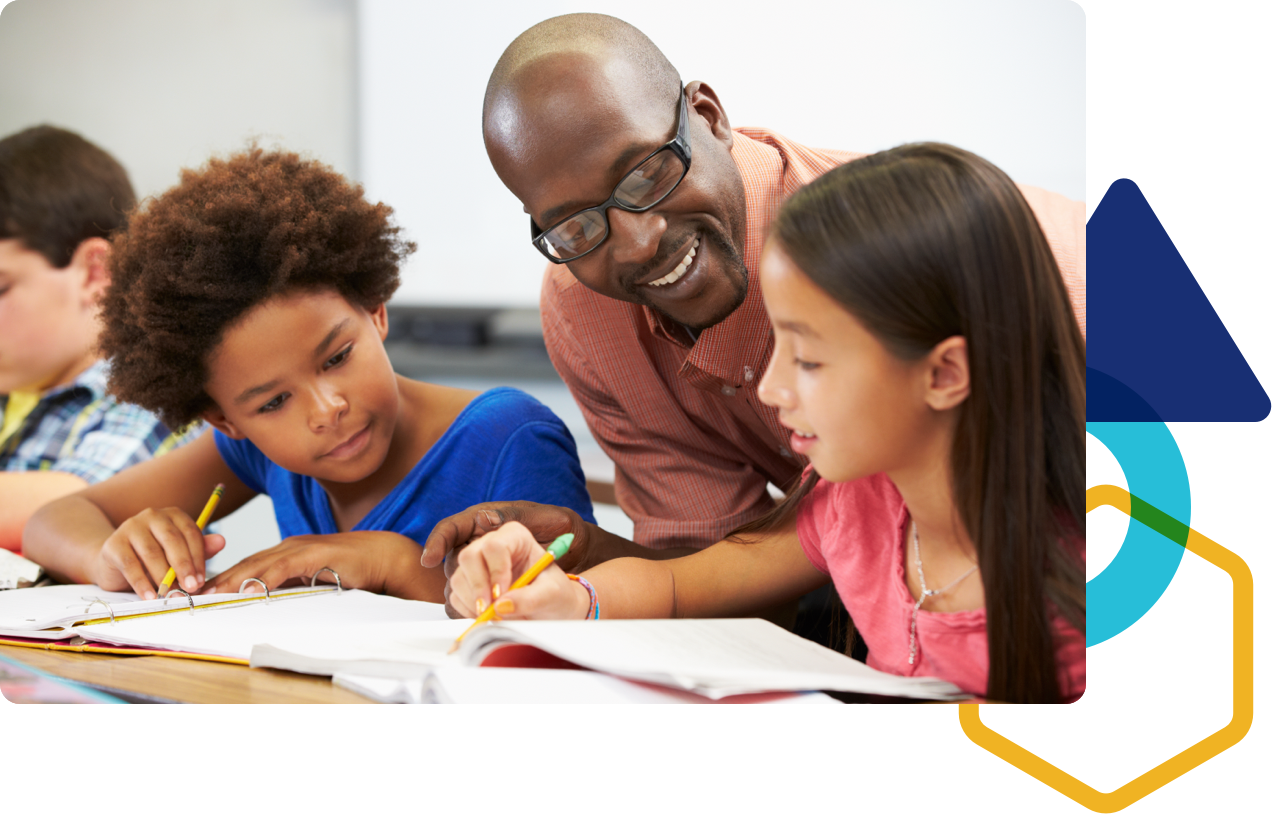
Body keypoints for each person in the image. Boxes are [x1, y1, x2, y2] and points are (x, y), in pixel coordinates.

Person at [423, 14, 1087, 587]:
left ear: (710, 119)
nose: (637, 241)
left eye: (648, 173)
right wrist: (584, 552)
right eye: (575, 225)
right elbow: (720, 571)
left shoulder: (967, 263)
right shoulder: (586, 312)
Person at [445, 143, 1087, 703]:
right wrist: (573, 601)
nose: (773, 389)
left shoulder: (1131, 569)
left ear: (945, 373)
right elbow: (678, 584)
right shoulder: (859, 507)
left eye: (808, 358)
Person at [22, 147, 593, 602]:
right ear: (225, 419)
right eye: (272, 403)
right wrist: (111, 554)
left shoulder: (508, 438)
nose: (326, 410)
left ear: (375, 310)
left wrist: (389, 563)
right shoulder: (254, 451)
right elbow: (55, 519)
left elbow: (566, 612)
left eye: (337, 357)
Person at [0, 125, 198, 552]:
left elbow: (80, 505)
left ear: (94, 272)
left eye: (1, 288)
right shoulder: (14, 387)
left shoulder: (152, 390)